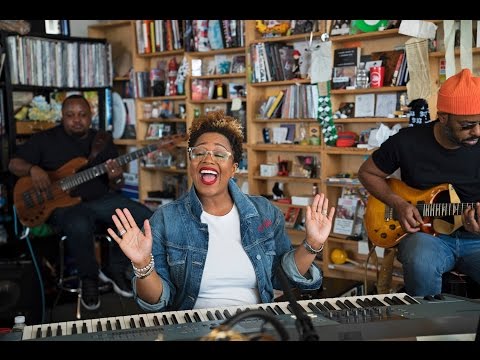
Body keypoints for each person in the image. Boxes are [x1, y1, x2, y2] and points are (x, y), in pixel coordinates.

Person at [108, 111, 335, 311]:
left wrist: (312, 244)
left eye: (219, 154)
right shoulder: (166, 220)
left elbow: (281, 278)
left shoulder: (264, 212)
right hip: (192, 330)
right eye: (199, 153)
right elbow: (157, 301)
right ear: (191, 162)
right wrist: (142, 265)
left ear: (234, 168)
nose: (208, 159)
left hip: (256, 325)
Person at [9, 94, 153, 310]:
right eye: (70, 115)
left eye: (82, 115)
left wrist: (116, 176)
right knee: (79, 223)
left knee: (144, 216)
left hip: (101, 199)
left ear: (91, 115)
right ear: (62, 116)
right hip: (63, 207)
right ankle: (89, 279)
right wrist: (33, 169)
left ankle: (115, 267)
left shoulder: (101, 141)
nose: (76, 120)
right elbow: (13, 164)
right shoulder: (45, 140)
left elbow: (117, 184)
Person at [358, 68, 480, 296]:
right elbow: (367, 173)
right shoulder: (407, 141)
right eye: (467, 125)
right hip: (426, 237)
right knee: (421, 260)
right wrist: (397, 203)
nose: (477, 131)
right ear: (443, 117)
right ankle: (427, 329)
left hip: (476, 239)